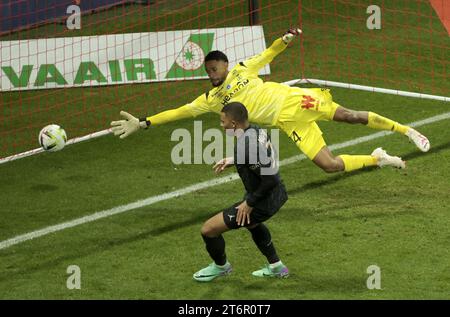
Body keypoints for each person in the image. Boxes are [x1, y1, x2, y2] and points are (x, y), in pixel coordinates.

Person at [110, 28, 430, 173]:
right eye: (208, 70)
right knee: (328, 165)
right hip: (286, 121)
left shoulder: (242, 69)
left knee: (350, 116)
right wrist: (144, 122)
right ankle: (378, 158)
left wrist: (283, 40)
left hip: (296, 100)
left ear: (224, 65)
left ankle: (406, 131)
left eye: (215, 67)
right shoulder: (210, 99)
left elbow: (268, 54)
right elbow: (180, 111)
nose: (212, 73)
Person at [193, 102, 289, 282]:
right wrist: (235, 159)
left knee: (208, 230)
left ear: (234, 124)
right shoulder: (256, 130)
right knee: (251, 223)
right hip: (277, 194)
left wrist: (249, 203)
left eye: (223, 122)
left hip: (262, 200)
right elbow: (265, 158)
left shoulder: (247, 146)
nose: (221, 126)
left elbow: (271, 178)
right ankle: (276, 266)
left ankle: (221, 267)